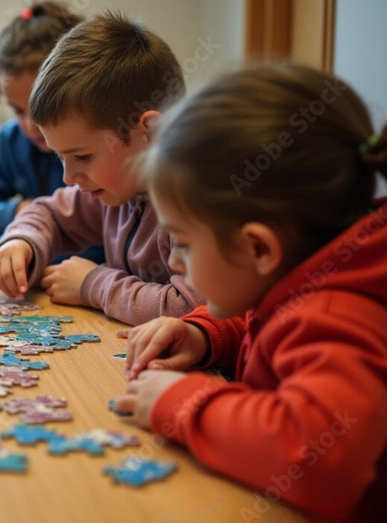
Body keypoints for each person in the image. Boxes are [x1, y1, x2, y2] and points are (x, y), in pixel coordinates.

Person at [115, 63, 387, 522]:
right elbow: (269, 317)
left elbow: (320, 461)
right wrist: (207, 335)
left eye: (182, 242)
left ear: (258, 247)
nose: (175, 262)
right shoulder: (312, 284)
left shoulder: (336, 317)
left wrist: (184, 404)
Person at [0, 12, 204, 325]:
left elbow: (192, 309)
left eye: (82, 157)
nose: (68, 177)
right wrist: (20, 243)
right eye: (60, 158)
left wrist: (94, 284)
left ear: (150, 131)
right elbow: (49, 214)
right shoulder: (118, 189)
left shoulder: (196, 203)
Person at [0, 0, 102, 266]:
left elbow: (99, 248)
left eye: (40, 109)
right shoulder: (11, 140)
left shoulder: (95, 148)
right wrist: (24, 211)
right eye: (18, 111)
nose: (30, 125)